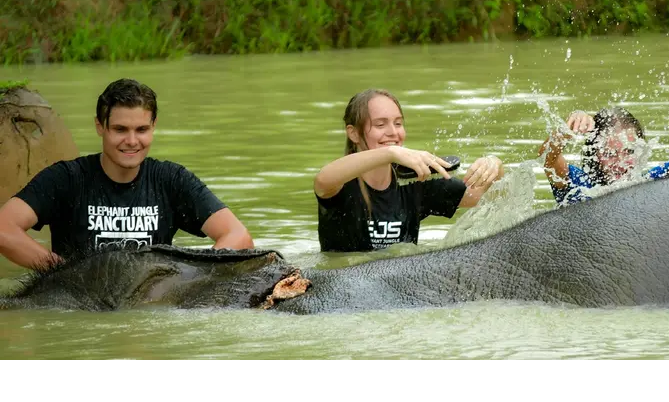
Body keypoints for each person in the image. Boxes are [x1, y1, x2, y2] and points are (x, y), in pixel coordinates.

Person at [0, 78, 255, 271]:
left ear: (153, 126)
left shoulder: (171, 180)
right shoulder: (66, 179)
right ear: (100, 126)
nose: (132, 141)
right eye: (120, 129)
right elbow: (3, 229)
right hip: (81, 308)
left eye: (141, 129)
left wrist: (185, 277)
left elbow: (239, 237)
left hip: (151, 310)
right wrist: (64, 273)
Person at [314, 88, 505, 252]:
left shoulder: (415, 183)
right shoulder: (341, 184)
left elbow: (492, 196)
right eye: (380, 124)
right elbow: (323, 181)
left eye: (398, 123)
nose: (393, 132)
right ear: (353, 133)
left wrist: (494, 165)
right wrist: (390, 152)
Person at [537, 92, 669, 206]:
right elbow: (548, 159)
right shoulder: (579, 186)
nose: (619, 163)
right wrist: (567, 129)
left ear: (641, 150)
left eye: (629, 152)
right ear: (595, 154)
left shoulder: (653, 184)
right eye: (609, 154)